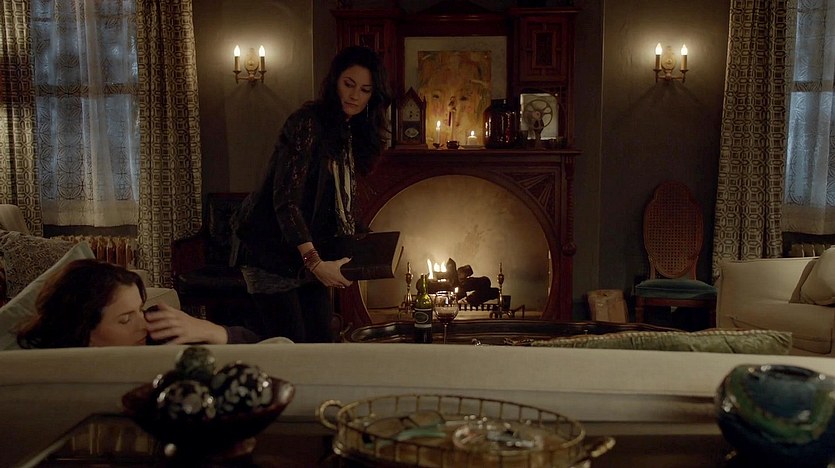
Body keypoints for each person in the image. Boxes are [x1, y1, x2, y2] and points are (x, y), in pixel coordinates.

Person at [232, 46, 392, 343]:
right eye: (349, 84)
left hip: (306, 257)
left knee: (321, 344)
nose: (355, 95)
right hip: (271, 254)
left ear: (373, 96)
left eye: (365, 90)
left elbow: (337, 204)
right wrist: (315, 262)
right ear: (334, 82)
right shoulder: (307, 122)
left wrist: (367, 247)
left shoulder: (348, 132)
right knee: (289, 348)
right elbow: (286, 201)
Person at [16, 259, 261, 348]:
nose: (143, 324)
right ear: (82, 329)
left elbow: (264, 347)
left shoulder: (155, 336)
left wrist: (212, 331)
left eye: (140, 310)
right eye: (125, 319)